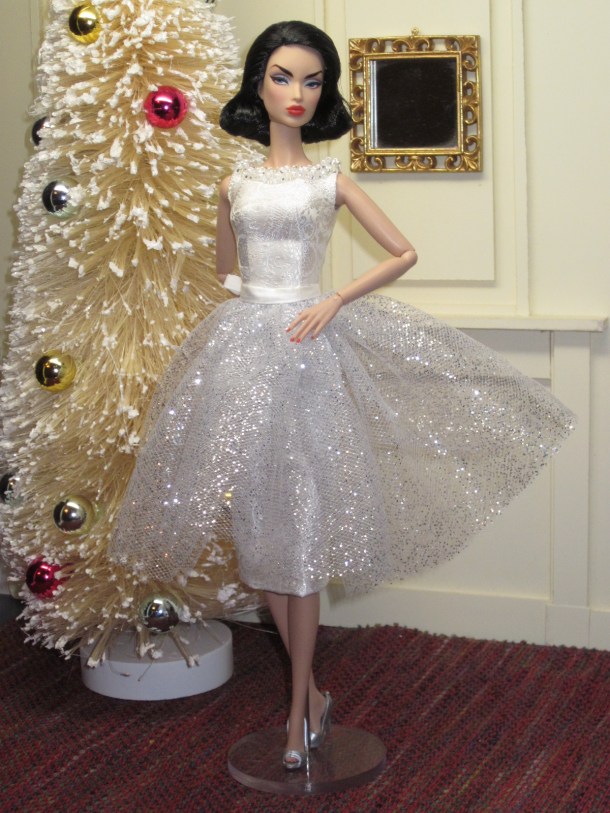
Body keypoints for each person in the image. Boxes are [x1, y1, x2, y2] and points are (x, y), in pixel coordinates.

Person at [110, 21, 574, 771]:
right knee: (263, 534)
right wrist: (248, 306)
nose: (297, 93)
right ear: (258, 84)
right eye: (283, 77)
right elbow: (226, 269)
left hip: (309, 355)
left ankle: (298, 712)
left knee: (302, 532)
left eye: (312, 80)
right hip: (246, 356)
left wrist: (332, 299)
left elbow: (403, 252)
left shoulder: (329, 181)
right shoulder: (234, 184)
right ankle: (315, 697)